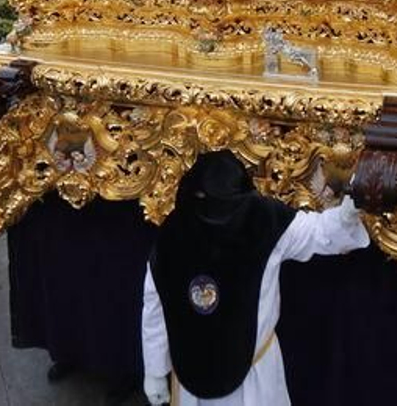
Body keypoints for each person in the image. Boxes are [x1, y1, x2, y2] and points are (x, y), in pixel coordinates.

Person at [140, 150, 370, 405]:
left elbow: (320, 232)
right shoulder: (173, 236)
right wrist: (155, 370)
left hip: (254, 372)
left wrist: (348, 212)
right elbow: (156, 305)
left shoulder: (263, 222)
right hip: (191, 373)